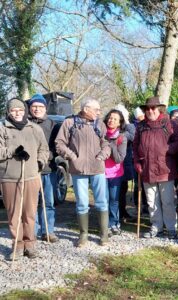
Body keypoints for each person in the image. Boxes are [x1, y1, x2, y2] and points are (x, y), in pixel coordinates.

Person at [56, 98, 111, 247]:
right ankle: (83, 235)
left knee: (101, 202)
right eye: (96, 109)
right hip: (78, 169)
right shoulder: (69, 123)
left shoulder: (99, 124)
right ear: (86, 109)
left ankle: (104, 234)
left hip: (97, 168)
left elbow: (106, 143)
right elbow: (59, 143)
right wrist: (73, 157)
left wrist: (103, 155)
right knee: (81, 203)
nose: (99, 112)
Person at [0, 98, 49, 260]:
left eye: (20, 110)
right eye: (14, 110)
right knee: (14, 214)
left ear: (25, 111)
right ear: (8, 112)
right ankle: (18, 245)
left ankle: (30, 244)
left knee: (29, 212)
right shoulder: (2, 129)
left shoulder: (34, 128)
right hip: (10, 178)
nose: (17, 113)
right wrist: (14, 150)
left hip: (31, 176)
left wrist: (40, 162)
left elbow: (44, 149)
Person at [133, 96, 178, 239]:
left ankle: (171, 228)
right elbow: (135, 147)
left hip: (165, 168)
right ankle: (156, 227)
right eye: (147, 108)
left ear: (159, 108)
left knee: (167, 201)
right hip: (146, 168)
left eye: (153, 108)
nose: (150, 111)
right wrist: (137, 162)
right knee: (151, 201)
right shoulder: (141, 126)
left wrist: (167, 150)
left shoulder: (169, 123)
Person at [28, 93, 60, 243]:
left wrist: (47, 156)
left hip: (48, 169)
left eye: (40, 106)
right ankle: (32, 232)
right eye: (34, 106)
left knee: (48, 202)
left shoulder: (53, 124)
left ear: (45, 108)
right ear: (30, 108)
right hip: (30, 170)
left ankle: (48, 230)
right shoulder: (25, 124)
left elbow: (57, 145)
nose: (37, 109)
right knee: (31, 203)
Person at [103, 109, 127, 236]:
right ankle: (105, 224)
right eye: (110, 118)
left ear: (119, 123)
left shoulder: (121, 138)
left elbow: (118, 158)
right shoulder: (100, 133)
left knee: (114, 199)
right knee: (103, 200)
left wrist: (111, 143)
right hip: (100, 172)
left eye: (115, 119)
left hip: (115, 174)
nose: (111, 120)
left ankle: (114, 223)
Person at [115, 104, 136, 221]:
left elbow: (133, 136)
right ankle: (116, 213)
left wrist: (126, 122)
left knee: (123, 189)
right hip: (113, 163)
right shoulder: (112, 126)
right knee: (115, 190)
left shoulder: (129, 127)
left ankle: (122, 211)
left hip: (124, 162)